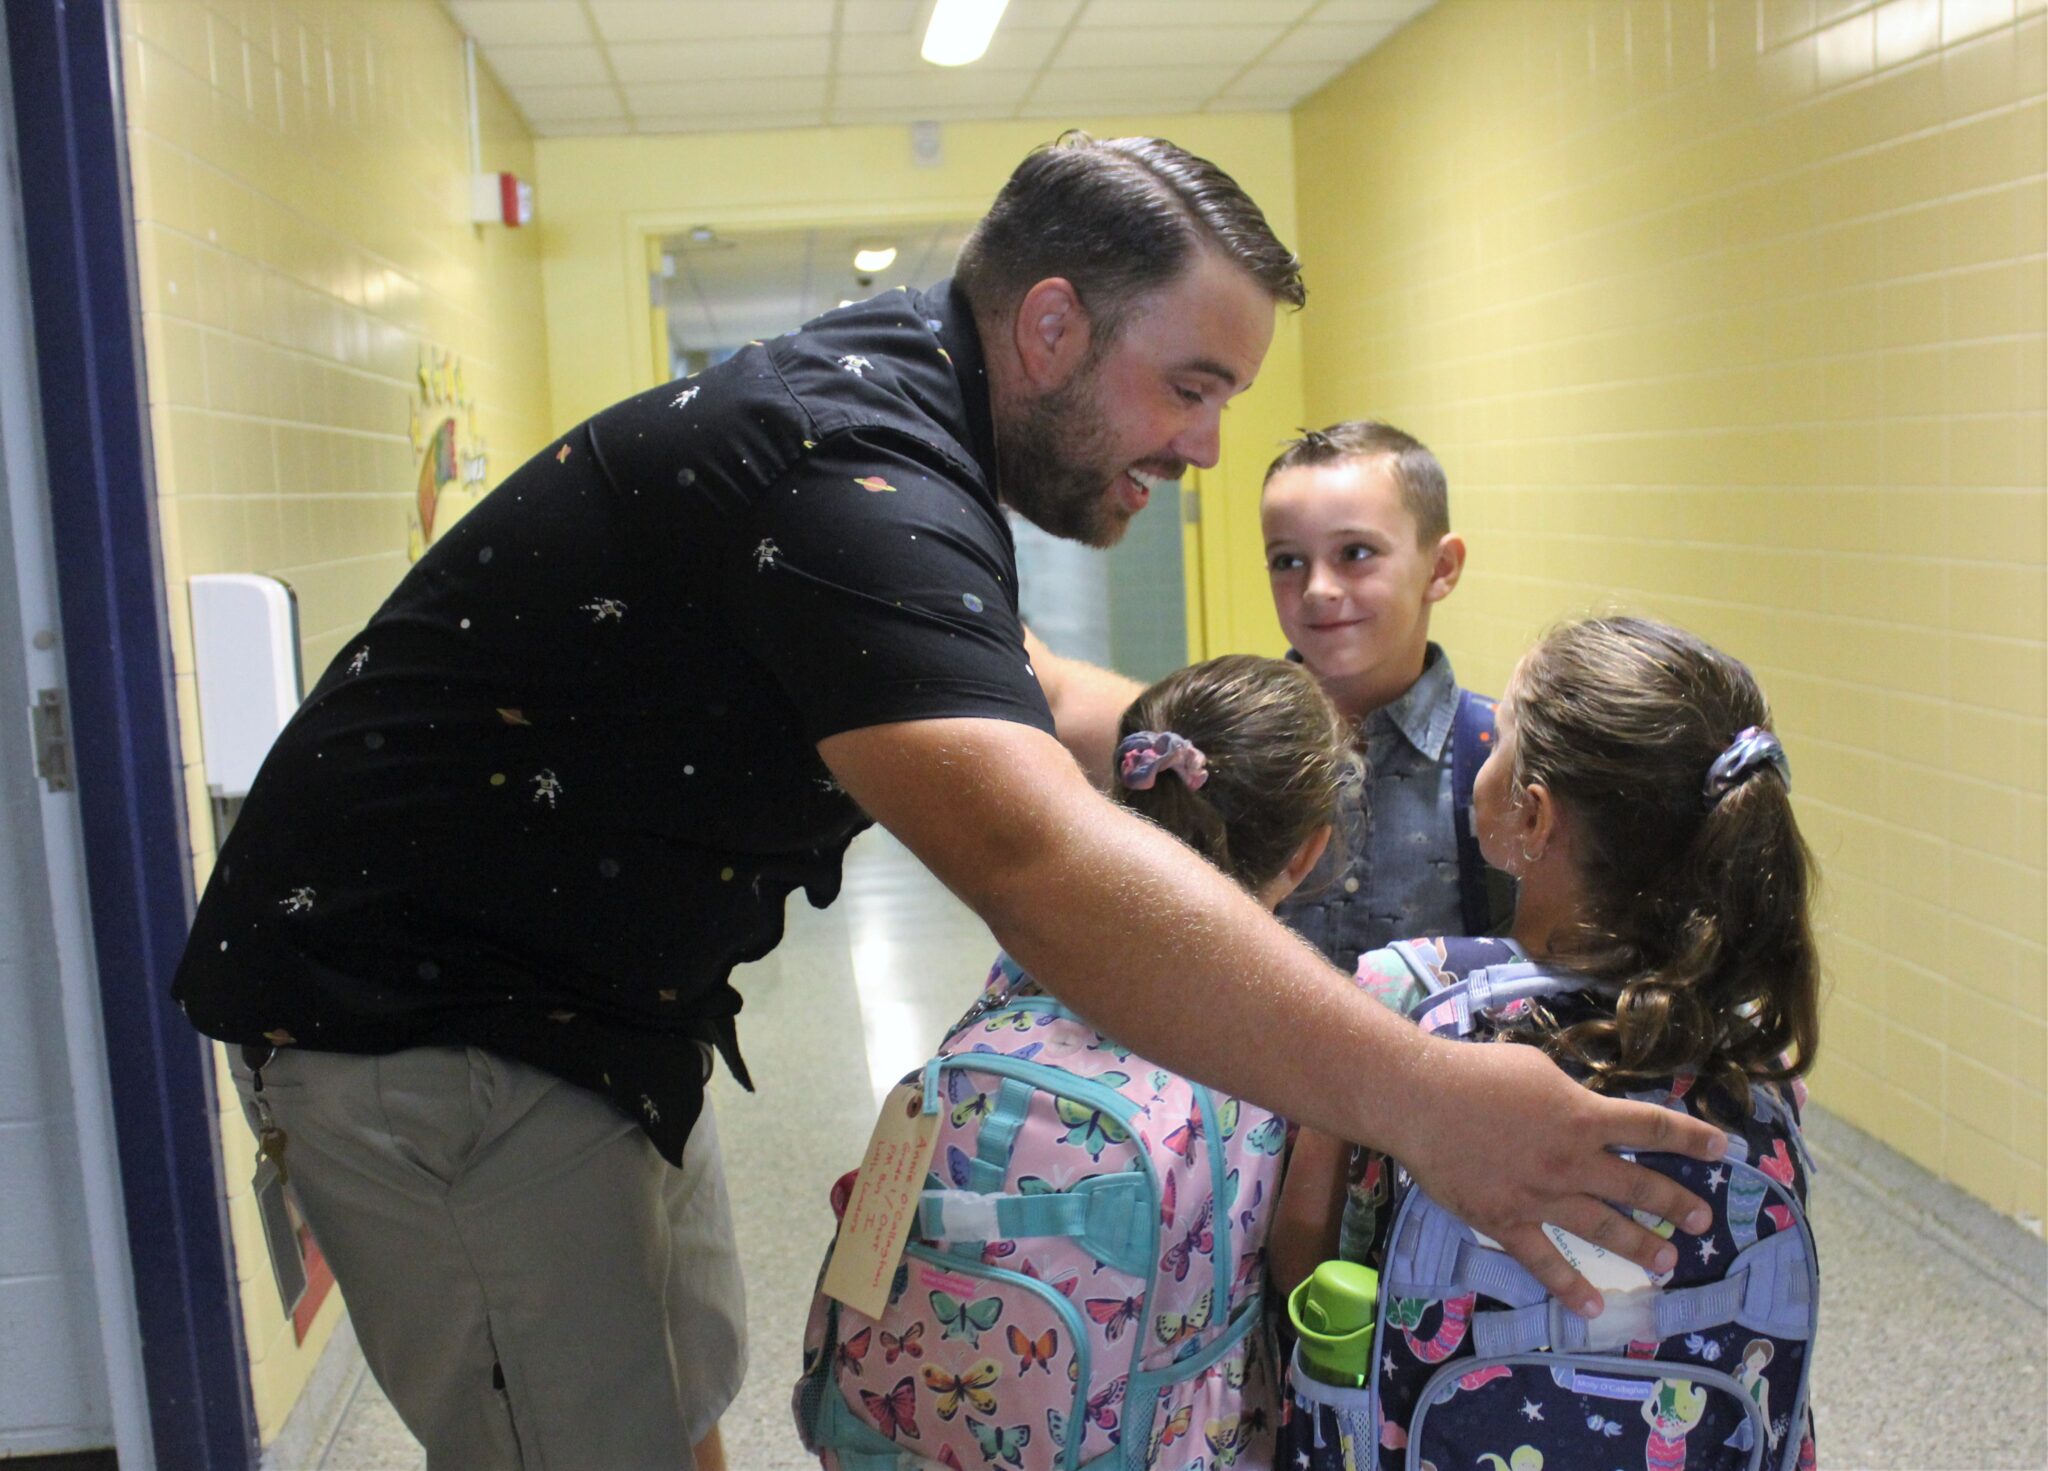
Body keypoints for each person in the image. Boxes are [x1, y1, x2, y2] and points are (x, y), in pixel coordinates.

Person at [170, 134, 1723, 1469]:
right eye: (1189, 385)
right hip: (431, 1029)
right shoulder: (846, 466)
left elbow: (1031, 692)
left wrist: (1251, 752)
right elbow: (1031, 851)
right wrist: (1430, 1097)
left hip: (595, 1012)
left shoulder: (909, 415)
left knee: (660, 1387)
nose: (1206, 444)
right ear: (1050, 323)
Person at [1269, 615, 1821, 1462]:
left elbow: (1301, 1250)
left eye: (1499, 737)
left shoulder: (1407, 991)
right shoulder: (1752, 1055)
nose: (1482, 752)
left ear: (1530, 819)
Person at [797, 653, 1350, 1464]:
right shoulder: (1283, 1030)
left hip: (921, 1419)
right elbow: (1302, 1267)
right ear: (1305, 852)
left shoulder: (1034, 956)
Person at [1261, 420, 1514, 975]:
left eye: (1354, 552)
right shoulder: (1235, 749)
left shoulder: (1501, 756)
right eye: (1287, 560)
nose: (1318, 588)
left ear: (1440, 569)